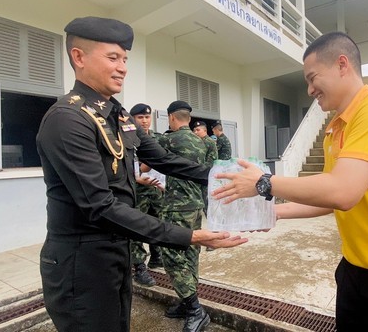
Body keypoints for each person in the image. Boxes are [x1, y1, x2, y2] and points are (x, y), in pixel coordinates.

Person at [213, 32, 368, 331]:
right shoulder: (335, 129)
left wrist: (265, 182)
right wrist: (272, 212)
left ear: (342, 65)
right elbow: (329, 198)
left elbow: (343, 191)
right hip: (356, 271)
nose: (310, 89)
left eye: (313, 78)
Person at [36, 16, 246, 332]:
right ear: (79, 57)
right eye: (112, 57)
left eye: (125, 59)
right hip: (82, 260)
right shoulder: (68, 120)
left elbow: (165, 160)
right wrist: (188, 236)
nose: (122, 67)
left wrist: (224, 175)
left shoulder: (117, 114)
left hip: (116, 250)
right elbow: (100, 206)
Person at [157, 101, 211, 331]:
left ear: (171, 118)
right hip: (195, 205)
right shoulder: (200, 142)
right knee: (190, 253)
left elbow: (148, 158)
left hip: (177, 206)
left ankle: (193, 308)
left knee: (170, 254)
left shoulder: (169, 139)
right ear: (189, 119)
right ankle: (187, 300)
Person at [128, 103, 165, 286]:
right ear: (133, 119)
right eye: (140, 117)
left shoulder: (157, 138)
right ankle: (139, 268)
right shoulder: (127, 138)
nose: (144, 121)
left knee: (157, 223)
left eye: (147, 117)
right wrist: (140, 173)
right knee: (137, 228)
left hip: (156, 190)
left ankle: (157, 257)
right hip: (137, 191)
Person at [193, 120, 218, 214]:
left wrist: (199, 171)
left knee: (208, 203)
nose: (195, 132)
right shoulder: (196, 142)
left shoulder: (210, 142)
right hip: (198, 176)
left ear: (204, 130)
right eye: (194, 130)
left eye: (198, 130)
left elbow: (212, 161)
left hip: (206, 177)